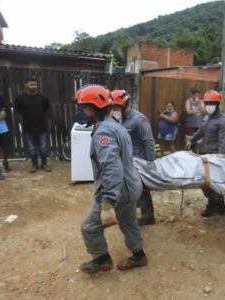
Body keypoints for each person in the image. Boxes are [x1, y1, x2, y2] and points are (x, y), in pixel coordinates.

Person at [78, 85, 147, 273]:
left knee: (90, 227)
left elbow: (112, 168)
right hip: (131, 185)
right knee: (128, 221)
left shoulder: (103, 132)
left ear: (92, 108)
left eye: (83, 107)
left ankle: (101, 260)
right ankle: (139, 256)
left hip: (118, 191)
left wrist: (107, 202)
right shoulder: (116, 125)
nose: (82, 111)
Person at [111, 89, 157, 226]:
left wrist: (150, 163)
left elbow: (149, 141)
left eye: (115, 107)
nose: (113, 110)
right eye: (112, 108)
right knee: (129, 188)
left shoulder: (139, 119)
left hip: (139, 161)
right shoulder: (118, 119)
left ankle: (148, 216)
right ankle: (138, 213)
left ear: (125, 105)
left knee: (141, 189)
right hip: (126, 160)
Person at [186, 90, 225, 218]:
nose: (209, 106)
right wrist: (192, 140)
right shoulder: (206, 118)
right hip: (205, 153)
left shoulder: (224, 121)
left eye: (212, 103)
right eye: (207, 103)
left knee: (213, 183)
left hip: (216, 156)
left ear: (218, 104)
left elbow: (224, 141)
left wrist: (220, 158)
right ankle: (219, 205)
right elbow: (201, 132)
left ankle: (213, 206)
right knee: (206, 182)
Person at [14, 77, 51, 173]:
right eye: (31, 84)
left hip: (42, 127)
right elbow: (17, 112)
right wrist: (19, 123)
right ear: (26, 85)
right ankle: (34, 164)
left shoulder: (43, 98)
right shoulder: (20, 99)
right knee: (31, 148)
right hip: (28, 128)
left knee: (43, 147)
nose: (34, 86)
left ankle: (44, 164)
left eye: (35, 84)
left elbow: (47, 110)